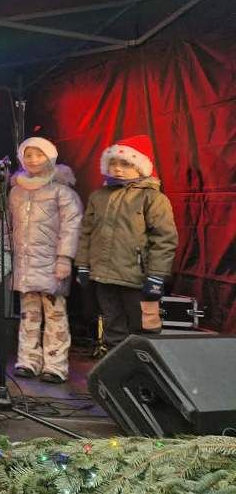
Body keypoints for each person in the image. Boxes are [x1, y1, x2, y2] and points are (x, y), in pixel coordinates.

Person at [75, 134, 178, 349]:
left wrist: (157, 276)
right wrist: (83, 265)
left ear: (140, 167)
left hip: (137, 279)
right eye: (113, 163)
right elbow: (86, 233)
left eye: (125, 164)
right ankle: (116, 367)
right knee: (112, 326)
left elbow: (165, 239)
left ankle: (145, 368)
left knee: (144, 329)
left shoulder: (153, 198)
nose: (118, 169)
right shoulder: (98, 196)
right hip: (104, 277)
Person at [9, 136, 83, 384]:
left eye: (39, 155)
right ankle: (28, 360)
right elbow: (9, 226)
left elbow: (71, 227)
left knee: (54, 314)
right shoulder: (16, 191)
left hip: (52, 263)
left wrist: (64, 258)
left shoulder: (62, 191)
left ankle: (55, 364)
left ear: (50, 157)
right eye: (28, 155)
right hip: (25, 263)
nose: (33, 160)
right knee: (28, 314)